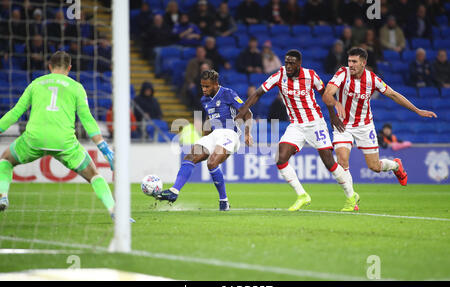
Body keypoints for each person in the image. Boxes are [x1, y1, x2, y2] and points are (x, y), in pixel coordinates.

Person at [0, 51, 134, 222]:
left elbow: (15, 113)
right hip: (64, 142)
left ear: (49, 66)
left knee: (6, 160)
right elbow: (87, 120)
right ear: (69, 68)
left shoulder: (36, 83)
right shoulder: (76, 87)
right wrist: (104, 148)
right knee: (94, 175)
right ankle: (115, 211)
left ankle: (3, 195)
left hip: (34, 139)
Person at [235, 49, 358, 212]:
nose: (288, 66)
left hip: (315, 123)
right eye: (286, 62)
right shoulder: (279, 76)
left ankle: (351, 197)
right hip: (296, 126)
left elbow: (326, 95)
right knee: (280, 157)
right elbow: (258, 93)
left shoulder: (310, 75)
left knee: (329, 162)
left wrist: (333, 116)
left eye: (292, 63)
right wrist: (244, 109)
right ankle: (302, 195)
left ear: (299, 63)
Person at [322, 47, 437, 202]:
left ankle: (396, 166)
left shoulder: (372, 79)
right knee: (342, 161)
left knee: (374, 167)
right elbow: (328, 92)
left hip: (364, 126)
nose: (351, 64)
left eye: (354, 61)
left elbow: (393, 95)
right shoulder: (343, 73)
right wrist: (335, 103)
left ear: (363, 63)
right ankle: (351, 199)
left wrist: (417, 110)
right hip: (343, 125)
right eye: (349, 61)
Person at [155, 70, 254, 211]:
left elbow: (247, 112)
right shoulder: (204, 100)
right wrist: (204, 138)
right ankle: (174, 191)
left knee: (212, 162)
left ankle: (223, 201)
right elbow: (210, 118)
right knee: (190, 156)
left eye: (207, 86)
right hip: (214, 134)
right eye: (202, 86)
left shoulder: (228, 93)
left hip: (230, 134)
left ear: (215, 84)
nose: (204, 89)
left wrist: (247, 134)